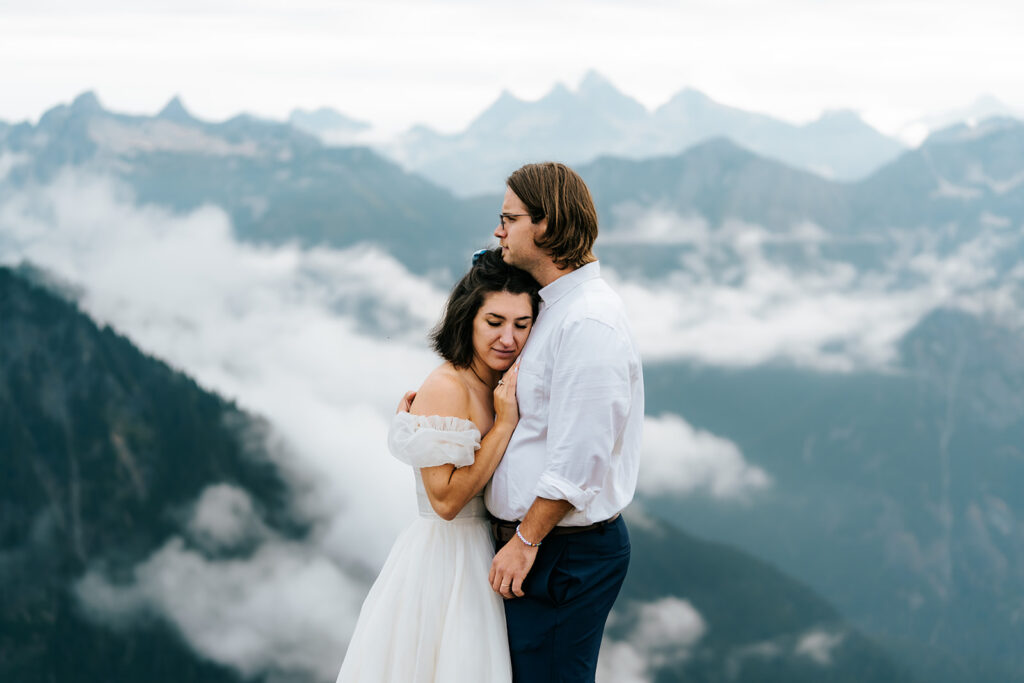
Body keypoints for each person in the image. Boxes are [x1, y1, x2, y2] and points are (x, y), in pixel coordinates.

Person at [335, 248, 540, 683]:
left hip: (483, 551)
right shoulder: (448, 386)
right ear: (468, 320)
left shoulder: (497, 381)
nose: (509, 338)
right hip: (447, 560)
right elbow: (445, 501)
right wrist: (503, 427)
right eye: (494, 322)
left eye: (522, 325)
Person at [486, 162, 644, 682]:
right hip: (545, 549)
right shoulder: (555, 305)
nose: (498, 230)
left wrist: (525, 542)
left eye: (510, 218)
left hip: (561, 554)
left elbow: (582, 457)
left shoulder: (588, 321)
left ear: (547, 225)